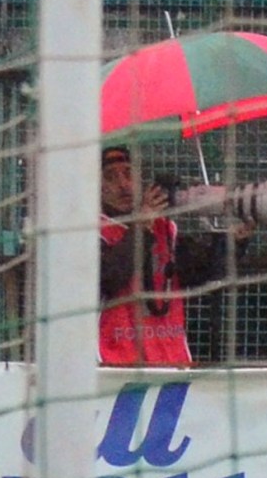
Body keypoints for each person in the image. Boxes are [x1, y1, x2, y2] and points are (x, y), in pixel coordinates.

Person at [100, 145, 233, 366]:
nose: (123, 185)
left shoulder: (164, 228)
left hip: (171, 360)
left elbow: (201, 272)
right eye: (110, 177)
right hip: (116, 364)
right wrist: (142, 227)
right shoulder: (94, 233)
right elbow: (110, 278)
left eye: (129, 174)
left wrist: (234, 241)